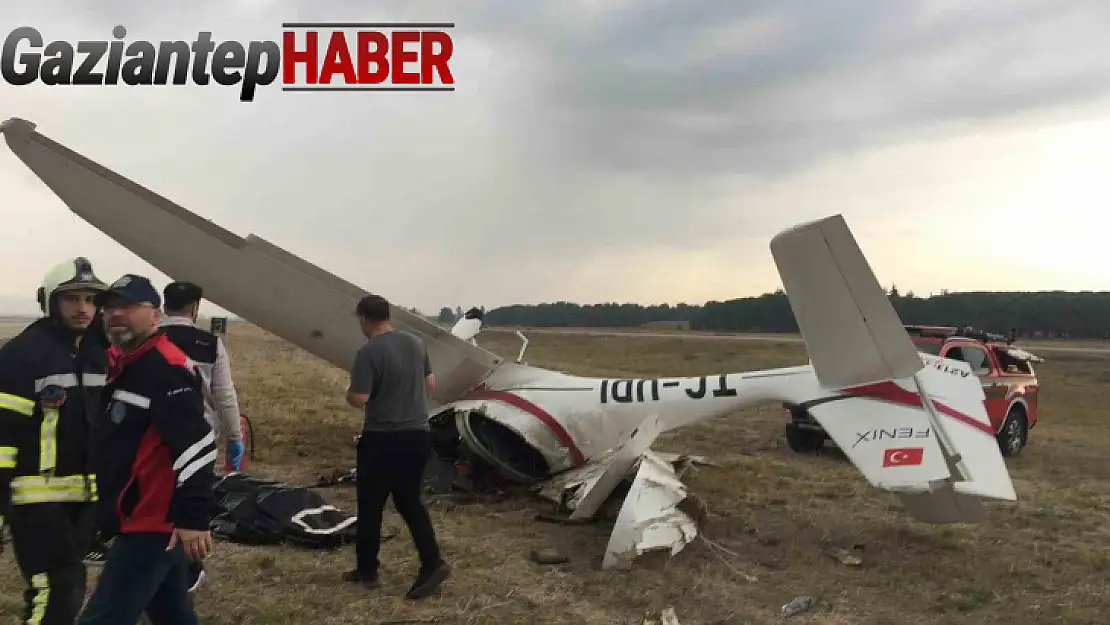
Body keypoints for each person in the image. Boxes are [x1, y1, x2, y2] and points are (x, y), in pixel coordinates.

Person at [77, 274, 217, 625]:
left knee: (103, 616)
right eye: (108, 307)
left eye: (127, 306)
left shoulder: (165, 369)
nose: (114, 314)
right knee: (171, 614)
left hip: (151, 522)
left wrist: (193, 518)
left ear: (156, 315)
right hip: (138, 518)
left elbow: (197, 444)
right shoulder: (125, 363)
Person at [0, 258, 109, 625]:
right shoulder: (22, 355)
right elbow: (2, 435)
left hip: (83, 499)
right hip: (36, 500)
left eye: (91, 300)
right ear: (51, 302)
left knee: (66, 587)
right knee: (56, 590)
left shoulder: (99, 354)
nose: (83, 309)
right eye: (72, 299)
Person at [344, 294, 451, 599]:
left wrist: (350, 394)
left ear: (365, 318)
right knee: (409, 502)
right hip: (418, 435)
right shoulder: (416, 343)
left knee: (371, 504)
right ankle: (431, 562)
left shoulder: (368, 352)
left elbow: (360, 398)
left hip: (382, 438)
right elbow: (430, 384)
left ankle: (367, 571)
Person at [158, 280, 243, 593]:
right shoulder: (209, 343)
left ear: (164, 306)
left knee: (158, 500)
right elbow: (224, 395)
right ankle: (188, 568)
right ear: (195, 309)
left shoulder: (150, 338)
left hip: (155, 437)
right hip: (199, 438)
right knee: (191, 499)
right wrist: (235, 437)